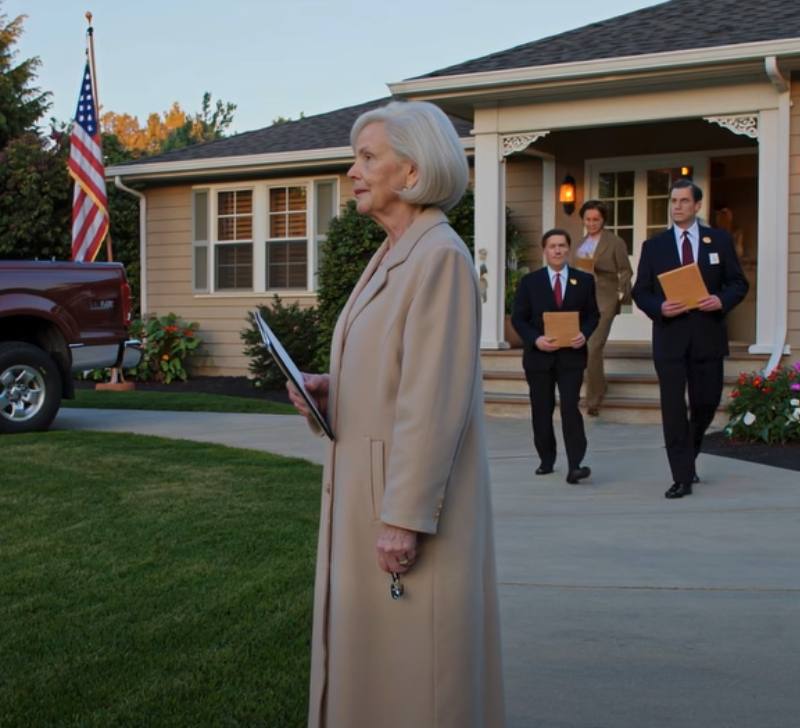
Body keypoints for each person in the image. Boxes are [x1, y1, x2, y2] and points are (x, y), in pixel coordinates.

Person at [286, 101, 506, 728]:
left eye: (367, 158)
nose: (353, 171)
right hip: (367, 490)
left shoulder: (438, 256)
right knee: (378, 670)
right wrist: (333, 391)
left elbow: (433, 401)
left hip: (403, 506)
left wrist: (404, 521)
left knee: (419, 680)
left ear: (410, 173)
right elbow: (395, 373)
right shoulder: (392, 252)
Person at [632, 179, 748, 499]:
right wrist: (660, 307)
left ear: (697, 206)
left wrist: (721, 300)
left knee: (705, 404)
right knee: (672, 408)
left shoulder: (719, 242)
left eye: (683, 201)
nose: (676, 207)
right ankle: (681, 475)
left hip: (707, 336)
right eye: (673, 201)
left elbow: (738, 283)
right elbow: (640, 291)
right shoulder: (654, 247)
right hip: (669, 338)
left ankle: (689, 452)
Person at [511, 229, 599, 484]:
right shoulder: (531, 282)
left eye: (562, 245)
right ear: (545, 250)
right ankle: (546, 459)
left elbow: (593, 315)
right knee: (542, 409)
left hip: (571, 357)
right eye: (552, 246)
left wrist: (584, 333)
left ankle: (575, 464)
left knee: (571, 408)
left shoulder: (583, 281)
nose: (558, 250)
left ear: (568, 249)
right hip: (539, 358)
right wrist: (536, 339)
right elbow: (519, 317)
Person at [574, 200, 633, 416]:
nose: (591, 223)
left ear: (603, 219)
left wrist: (620, 295)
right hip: (583, 301)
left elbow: (626, 270)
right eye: (588, 219)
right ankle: (600, 386)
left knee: (593, 346)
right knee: (585, 348)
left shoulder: (615, 242)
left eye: (596, 219)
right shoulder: (579, 245)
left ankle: (593, 401)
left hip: (605, 298)